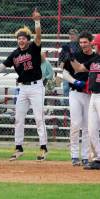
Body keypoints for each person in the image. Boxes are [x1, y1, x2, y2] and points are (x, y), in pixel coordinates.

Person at [0, 9, 48, 161]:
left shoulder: (33, 48)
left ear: (27, 40)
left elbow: (38, 37)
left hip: (36, 87)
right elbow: (3, 65)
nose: (21, 41)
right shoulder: (15, 53)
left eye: (23, 38)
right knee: (18, 118)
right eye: (19, 39)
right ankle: (18, 147)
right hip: (23, 88)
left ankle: (43, 148)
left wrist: (37, 22)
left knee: (38, 118)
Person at [62, 31, 96, 166]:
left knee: (88, 126)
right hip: (75, 92)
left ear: (91, 42)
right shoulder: (75, 56)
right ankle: (74, 155)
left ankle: (86, 156)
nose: (83, 45)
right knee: (75, 124)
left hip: (90, 95)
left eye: (85, 42)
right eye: (81, 42)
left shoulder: (96, 57)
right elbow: (64, 73)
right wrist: (74, 81)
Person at [59, 29, 80, 106]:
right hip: (67, 70)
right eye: (70, 35)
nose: (71, 36)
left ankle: (76, 105)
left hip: (77, 70)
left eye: (73, 34)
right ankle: (66, 106)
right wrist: (61, 63)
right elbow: (60, 58)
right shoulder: (66, 45)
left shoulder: (80, 45)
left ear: (77, 36)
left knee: (77, 88)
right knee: (66, 88)